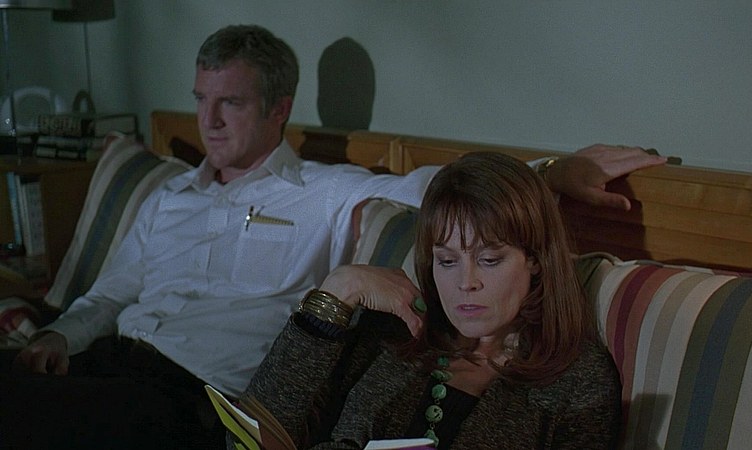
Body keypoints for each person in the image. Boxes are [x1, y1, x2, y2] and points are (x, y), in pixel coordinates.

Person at [0, 24, 661, 449]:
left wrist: (553, 171)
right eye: (200, 99)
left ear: (278, 110)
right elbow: (109, 293)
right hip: (105, 361)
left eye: (229, 102)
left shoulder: (325, 193)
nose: (208, 120)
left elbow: (445, 190)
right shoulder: (168, 196)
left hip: (185, 396)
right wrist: (58, 336)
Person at [240, 151, 621, 450]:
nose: (466, 283)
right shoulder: (391, 332)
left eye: (489, 260)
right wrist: (338, 290)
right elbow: (253, 436)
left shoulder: (577, 379)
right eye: (447, 261)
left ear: (534, 258)